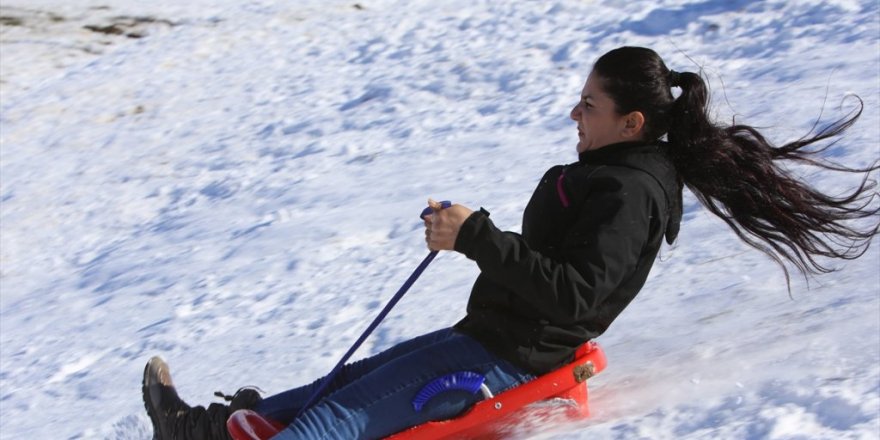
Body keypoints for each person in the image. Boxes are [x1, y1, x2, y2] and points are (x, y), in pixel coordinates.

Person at [142, 46, 878, 439]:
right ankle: (199, 431)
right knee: (342, 386)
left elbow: (578, 294)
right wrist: (473, 237)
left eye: (589, 104)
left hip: (508, 358)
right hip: (492, 335)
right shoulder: (616, 172)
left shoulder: (628, 193)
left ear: (630, 123)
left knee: (335, 424)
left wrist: (476, 236)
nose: (574, 113)